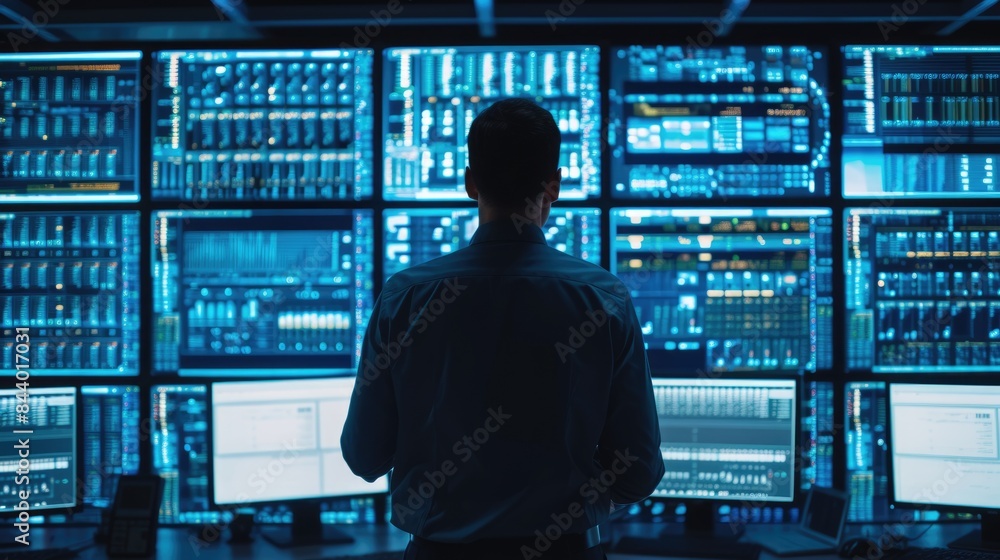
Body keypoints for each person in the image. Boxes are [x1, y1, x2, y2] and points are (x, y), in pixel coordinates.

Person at [341, 98, 664, 560]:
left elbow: (364, 456)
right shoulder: (603, 299)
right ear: (554, 184)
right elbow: (638, 471)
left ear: (471, 183)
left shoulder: (406, 297)